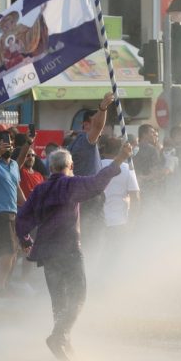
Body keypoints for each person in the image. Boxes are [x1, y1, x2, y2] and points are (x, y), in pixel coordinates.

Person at [16, 143, 133, 361]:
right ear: (70, 166)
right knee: (79, 296)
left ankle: (63, 340)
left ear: (51, 167)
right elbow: (98, 183)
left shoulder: (40, 189)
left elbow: (22, 217)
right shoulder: (71, 184)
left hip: (48, 252)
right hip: (68, 249)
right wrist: (119, 159)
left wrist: (25, 240)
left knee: (59, 301)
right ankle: (59, 336)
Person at [67, 92, 115, 256]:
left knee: (86, 237)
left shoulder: (73, 144)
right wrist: (102, 107)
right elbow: (98, 126)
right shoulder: (85, 141)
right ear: (86, 124)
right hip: (89, 198)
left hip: (80, 197)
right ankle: (92, 270)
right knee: (95, 237)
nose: (100, 122)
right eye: (95, 119)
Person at [0, 131, 27, 294]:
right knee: (8, 252)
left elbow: (16, 188)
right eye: (4, 143)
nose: (8, 146)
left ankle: (4, 285)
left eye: (10, 143)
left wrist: (29, 206)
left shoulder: (14, 165)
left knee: (14, 252)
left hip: (12, 212)